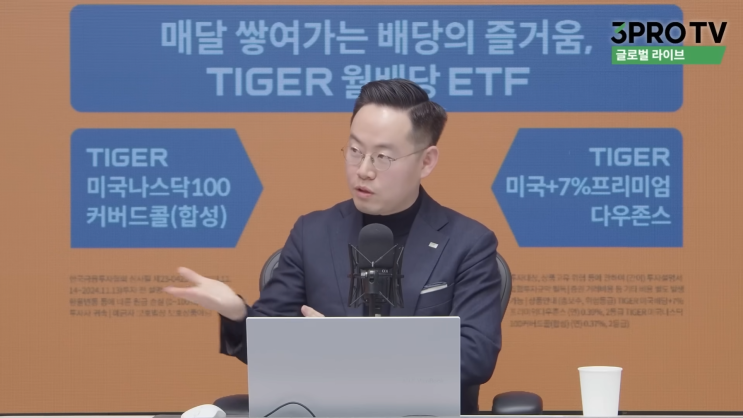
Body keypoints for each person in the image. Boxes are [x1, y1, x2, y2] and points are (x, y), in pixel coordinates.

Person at [164, 79, 502, 414]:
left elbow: (474, 356)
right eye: (355, 151)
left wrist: (345, 349)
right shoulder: (312, 234)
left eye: (383, 157)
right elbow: (269, 347)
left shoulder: (468, 243)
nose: (364, 170)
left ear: (426, 161)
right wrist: (237, 312)